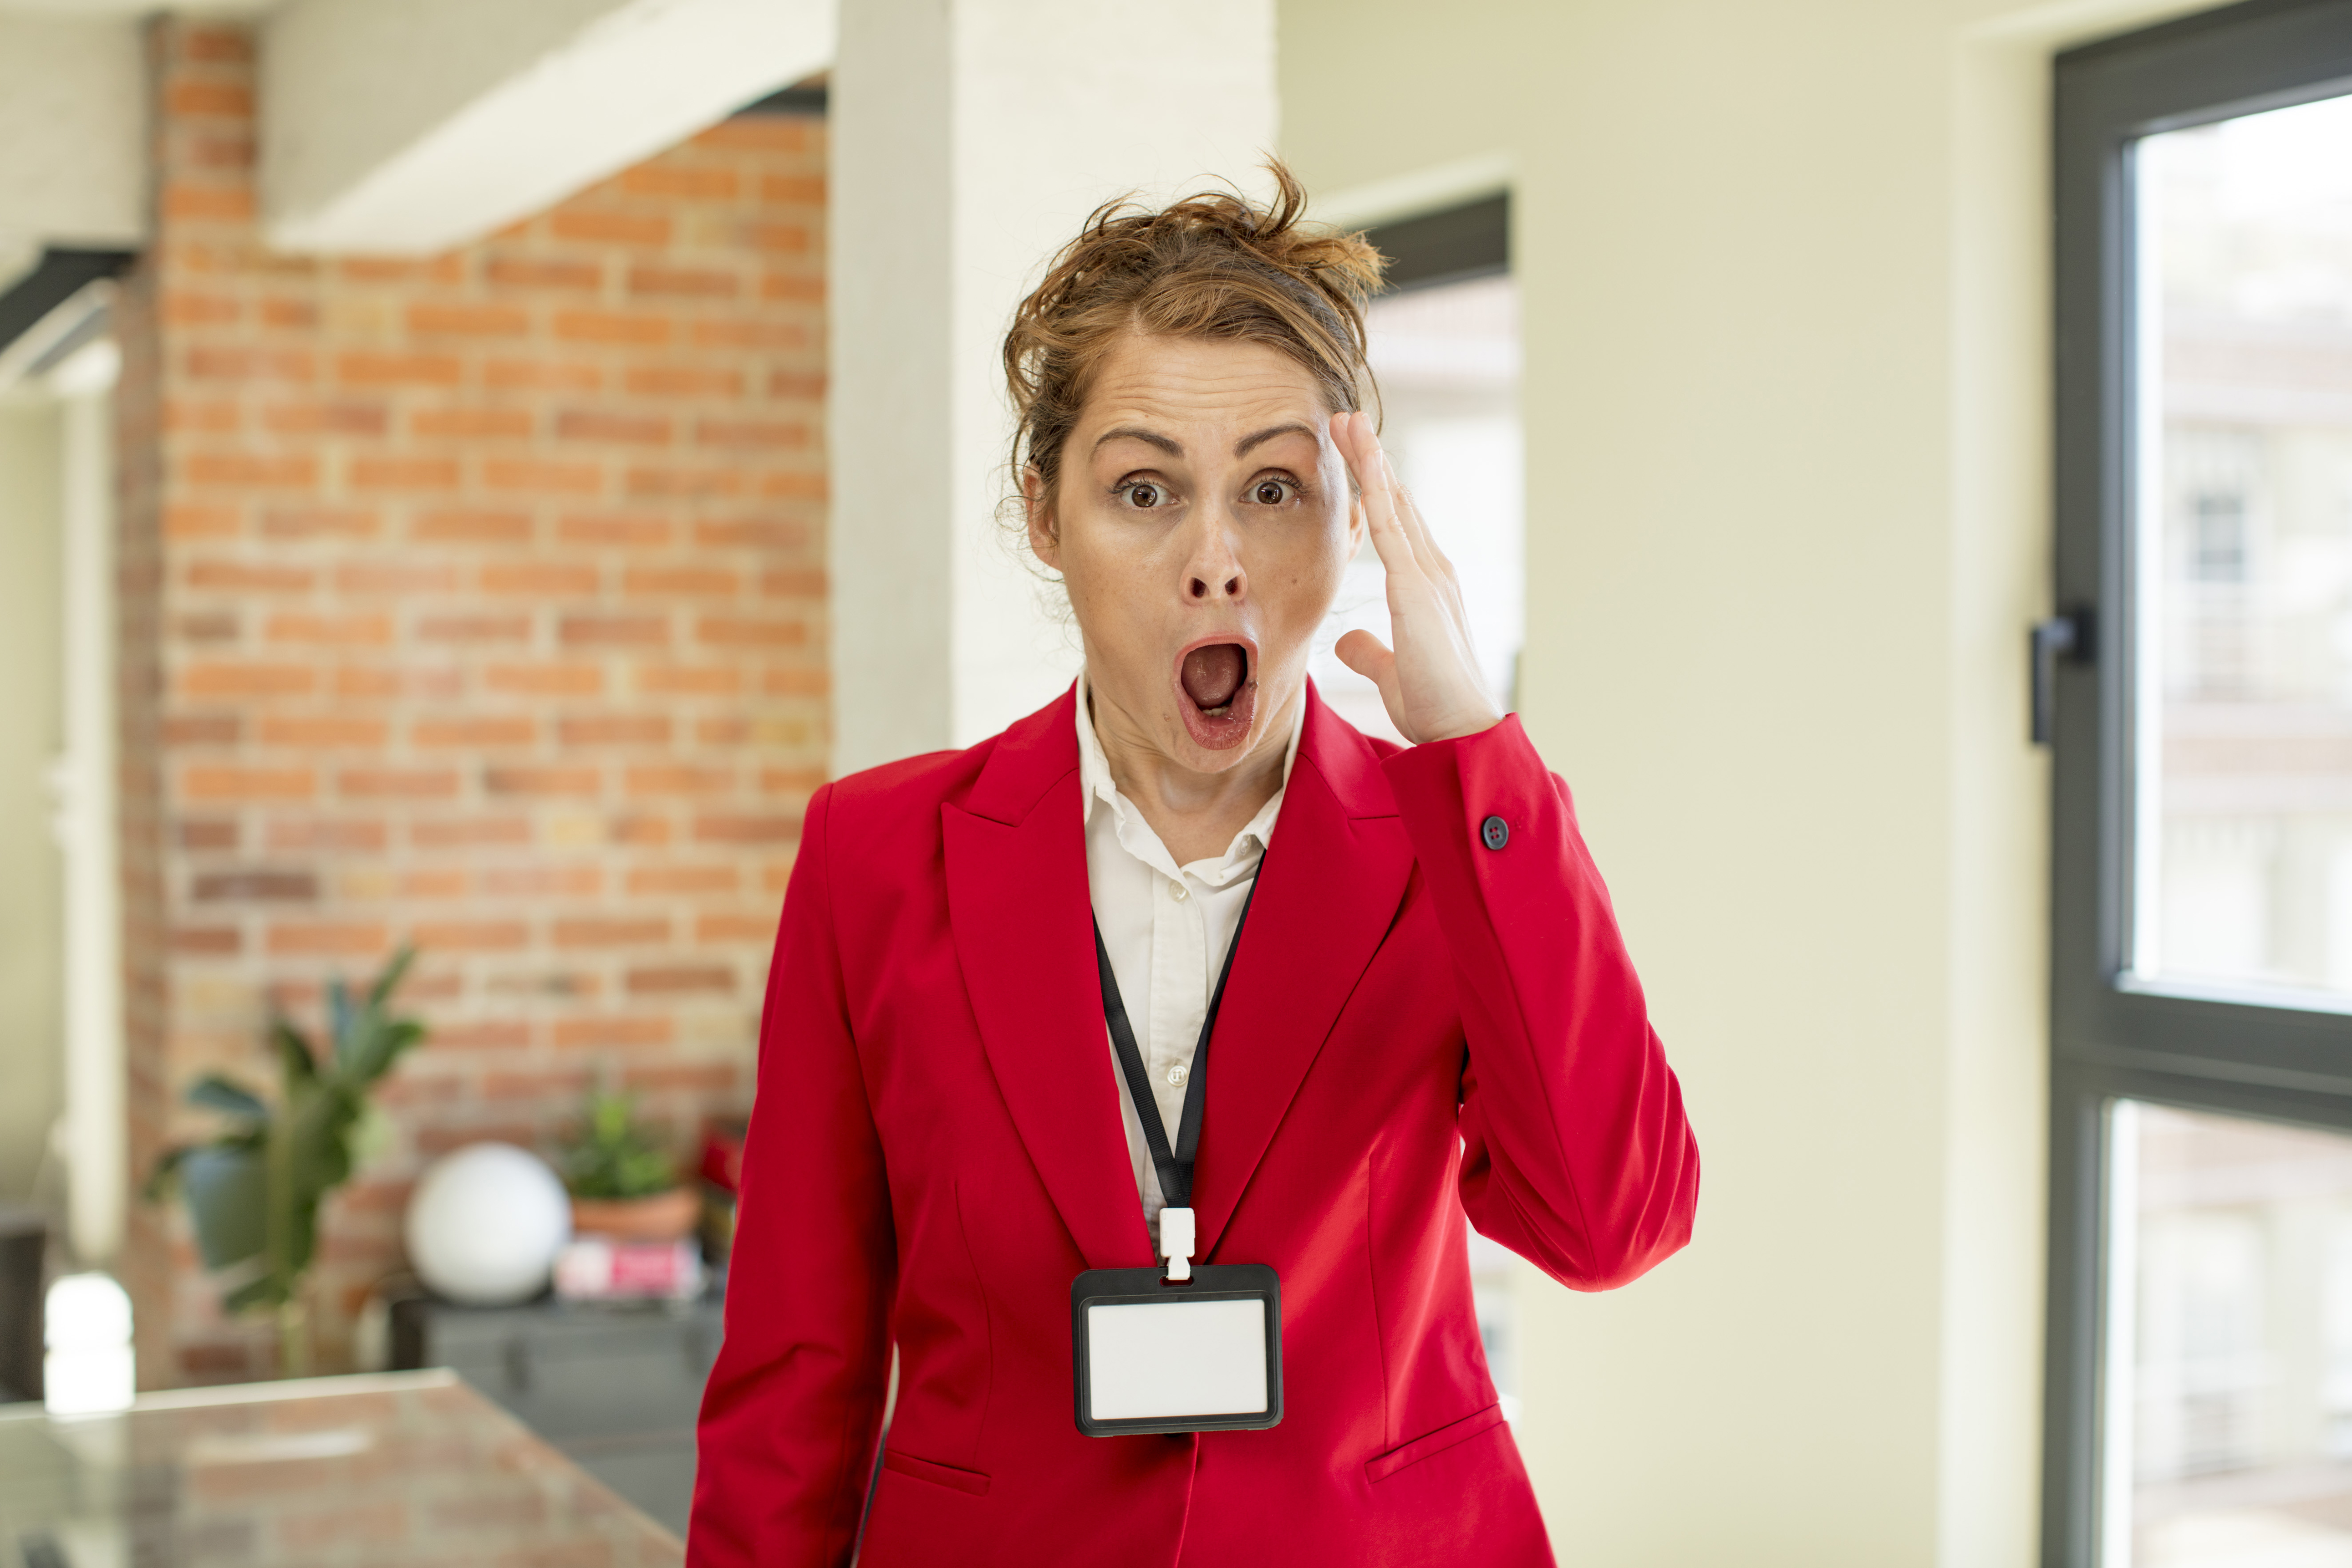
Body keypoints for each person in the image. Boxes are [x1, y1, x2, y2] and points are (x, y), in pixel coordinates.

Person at [687, 164, 1699, 1568]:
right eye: (1146, 488)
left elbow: (1614, 1222)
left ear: (1354, 518)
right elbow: (796, 1370)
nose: (1216, 559)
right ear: (1046, 517)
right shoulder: (873, 855)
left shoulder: (1462, 842)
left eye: (1275, 488)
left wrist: (1473, 746)